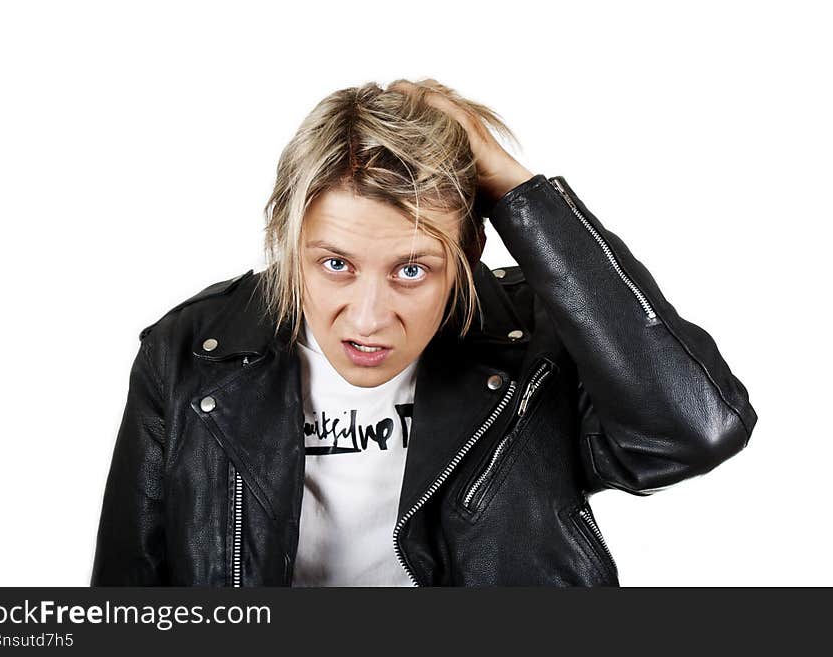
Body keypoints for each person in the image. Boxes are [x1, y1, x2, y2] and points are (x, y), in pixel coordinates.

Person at [90, 78, 758, 587]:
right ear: (288, 244)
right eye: (335, 265)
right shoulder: (191, 353)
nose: (369, 316)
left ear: (468, 255)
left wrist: (519, 193)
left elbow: (695, 427)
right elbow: (125, 599)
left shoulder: (535, 343)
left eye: (412, 268)